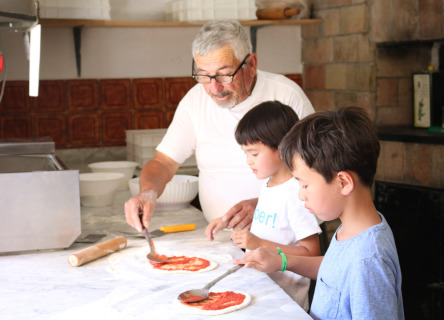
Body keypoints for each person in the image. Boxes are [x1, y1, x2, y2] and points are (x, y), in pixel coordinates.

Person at [124, 20, 314, 232]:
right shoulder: (194, 101)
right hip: (222, 238)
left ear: (251, 64)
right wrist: (146, 193)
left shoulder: (286, 95)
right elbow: (164, 162)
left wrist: (264, 204)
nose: (214, 88)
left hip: (287, 239)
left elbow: (316, 170)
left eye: (224, 74)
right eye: (204, 75)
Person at [234, 107, 404, 319]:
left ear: (343, 182)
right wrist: (282, 261)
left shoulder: (368, 260)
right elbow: (333, 271)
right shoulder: (353, 228)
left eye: (304, 185)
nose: (300, 196)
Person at [207, 101, 321, 311]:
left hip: (286, 304)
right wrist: (228, 223)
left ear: (281, 147)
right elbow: (276, 229)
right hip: (263, 292)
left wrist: (258, 242)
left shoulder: (296, 193)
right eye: (246, 153)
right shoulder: (268, 186)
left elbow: (311, 252)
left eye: (254, 153)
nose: (248, 161)